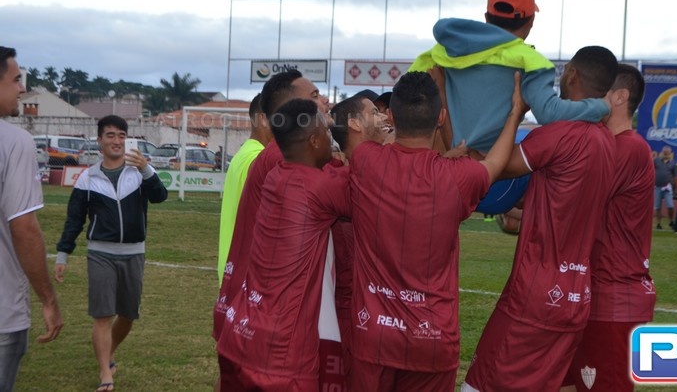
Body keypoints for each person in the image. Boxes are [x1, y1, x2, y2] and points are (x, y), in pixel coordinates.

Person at [345, 70, 526, 392]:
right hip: (431, 337)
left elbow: (368, 140)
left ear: (390, 116)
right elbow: (496, 163)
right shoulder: (459, 176)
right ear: (440, 117)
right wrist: (515, 112)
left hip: (373, 333)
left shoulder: (365, 160)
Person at [462, 46, 618, 392]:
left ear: (572, 75)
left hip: (536, 293)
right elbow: (562, 196)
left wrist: (514, 112)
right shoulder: (607, 142)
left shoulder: (561, 132)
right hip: (576, 294)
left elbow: (493, 168)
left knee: (478, 386)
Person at [409, 0, 609, 216]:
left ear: (486, 17)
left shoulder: (443, 50)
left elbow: (410, 94)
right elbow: (550, 113)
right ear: (531, 21)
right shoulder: (529, 61)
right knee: (552, 158)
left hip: (445, 168)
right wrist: (602, 106)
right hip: (494, 184)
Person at [216, 99, 350, 391]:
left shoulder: (276, 175)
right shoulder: (320, 187)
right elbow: (376, 189)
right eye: (327, 133)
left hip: (240, 329)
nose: (331, 140)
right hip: (280, 353)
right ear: (314, 141)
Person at [55, 114, 168, 392]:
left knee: (128, 315)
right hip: (100, 254)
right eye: (110, 135)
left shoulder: (139, 173)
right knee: (103, 315)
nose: (117, 141)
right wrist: (62, 255)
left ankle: (109, 351)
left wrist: (146, 169)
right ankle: (105, 373)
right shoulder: (87, 178)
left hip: (134, 253)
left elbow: (160, 196)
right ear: (99, 141)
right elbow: (74, 220)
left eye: (121, 135)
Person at [563, 63, 655, 392]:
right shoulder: (608, 145)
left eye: (598, 91)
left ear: (619, 97)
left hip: (614, 298)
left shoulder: (628, 147)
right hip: (593, 294)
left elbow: (570, 199)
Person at [0, 46, 62, 392]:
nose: (22, 88)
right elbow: (24, 227)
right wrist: (48, 299)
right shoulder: (14, 142)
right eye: (15, 79)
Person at [328, 93, 391, 378]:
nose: (384, 117)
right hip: (352, 316)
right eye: (374, 112)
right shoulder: (340, 181)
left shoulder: (372, 173)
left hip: (384, 315)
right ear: (354, 124)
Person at [217, 92, 272, 285]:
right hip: (247, 272)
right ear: (263, 119)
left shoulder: (245, 153)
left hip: (235, 266)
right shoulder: (258, 159)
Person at [653, 146, 676, 229]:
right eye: (664, 152)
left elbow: (674, 175)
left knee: (670, 206)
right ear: (662, 152)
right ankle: (658, 223)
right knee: (657, 206)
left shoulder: (672, 162)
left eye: (667, 152)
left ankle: (671, 221)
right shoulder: (656, 161)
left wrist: (674, 186)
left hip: (667, 187)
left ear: (670, 153)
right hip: (657, 187)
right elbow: (651, 170)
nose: (666, 153)